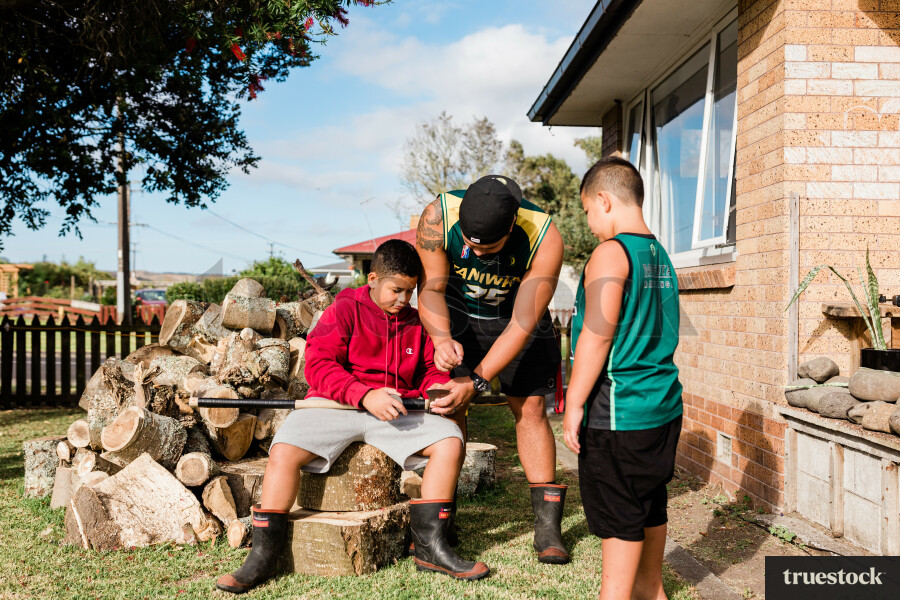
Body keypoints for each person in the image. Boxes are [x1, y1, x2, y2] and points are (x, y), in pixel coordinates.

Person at [216, 240, 489, 594]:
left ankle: (431, 549)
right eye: (396, 290)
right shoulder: (343, 309)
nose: (404, 300)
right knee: (283, 450)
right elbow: (318, 366)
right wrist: (363, 394)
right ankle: (263, 556)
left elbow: (426, 370)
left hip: (397, 410)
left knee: (450, 440)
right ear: (373, 279)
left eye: (410, 291)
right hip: (336, 405)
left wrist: (437, 388)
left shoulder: (418, 320)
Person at [416, 174, 569, 564]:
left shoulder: (544, 235)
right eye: (469, 246)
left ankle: (548, 528)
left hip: (516, 319)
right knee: (451, 407)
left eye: (491, 248)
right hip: (459, 316)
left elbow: (521, 323)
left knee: (530, 409)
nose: (479, 255)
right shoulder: (436, 216)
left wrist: (480, 380)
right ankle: (444, 520)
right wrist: (439, 338)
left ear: (513, 224)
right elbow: (431, 289)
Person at [563, 157, 683, 600]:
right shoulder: (661, 255)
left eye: (588, 213)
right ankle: (652, 591)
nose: (591, 225)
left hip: (619, 411)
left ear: (604, 200)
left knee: (619, 517)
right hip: (663, 406)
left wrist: (574, 404)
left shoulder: (612, 252)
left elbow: (596, 337)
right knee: (649, 504)